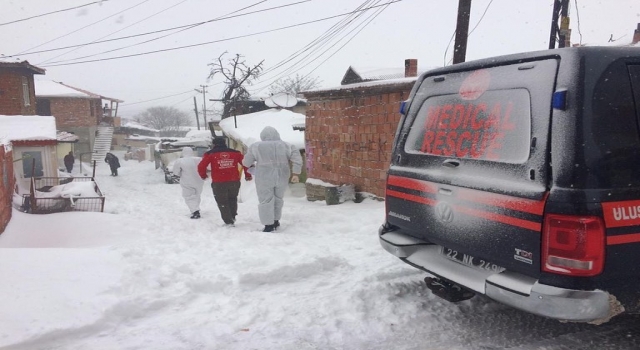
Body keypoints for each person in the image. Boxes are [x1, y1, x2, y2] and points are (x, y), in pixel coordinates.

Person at [242, 126, 303, 232]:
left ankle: (268, 225)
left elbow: (246, 162)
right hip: (282, 175)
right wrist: (296, 173)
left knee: (266, 200)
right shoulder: (287, 146)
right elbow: (297, 160)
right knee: (278, 198)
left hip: (264, 177)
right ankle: (275, 220)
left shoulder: (256, 146)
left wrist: (253, 164)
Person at [198, 138, 251, 226]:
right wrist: (247, 175)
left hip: (219, 182)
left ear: (214, 144)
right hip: (234, 181)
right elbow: (246, 164)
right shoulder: (235, 153)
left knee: (222, 201)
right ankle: (232, 216)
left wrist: (203, 175)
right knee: (232, 199)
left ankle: (228, 221)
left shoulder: (210, 154)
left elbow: (201, 166)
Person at [172, 147, 205, 219]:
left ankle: (195, 211)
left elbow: (176, 172)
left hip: (187, 181)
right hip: (199, 181)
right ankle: (196, 208)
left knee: (189, 197)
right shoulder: (199, 159)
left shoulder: (180, 161)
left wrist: (176, 176)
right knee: (197, 195)